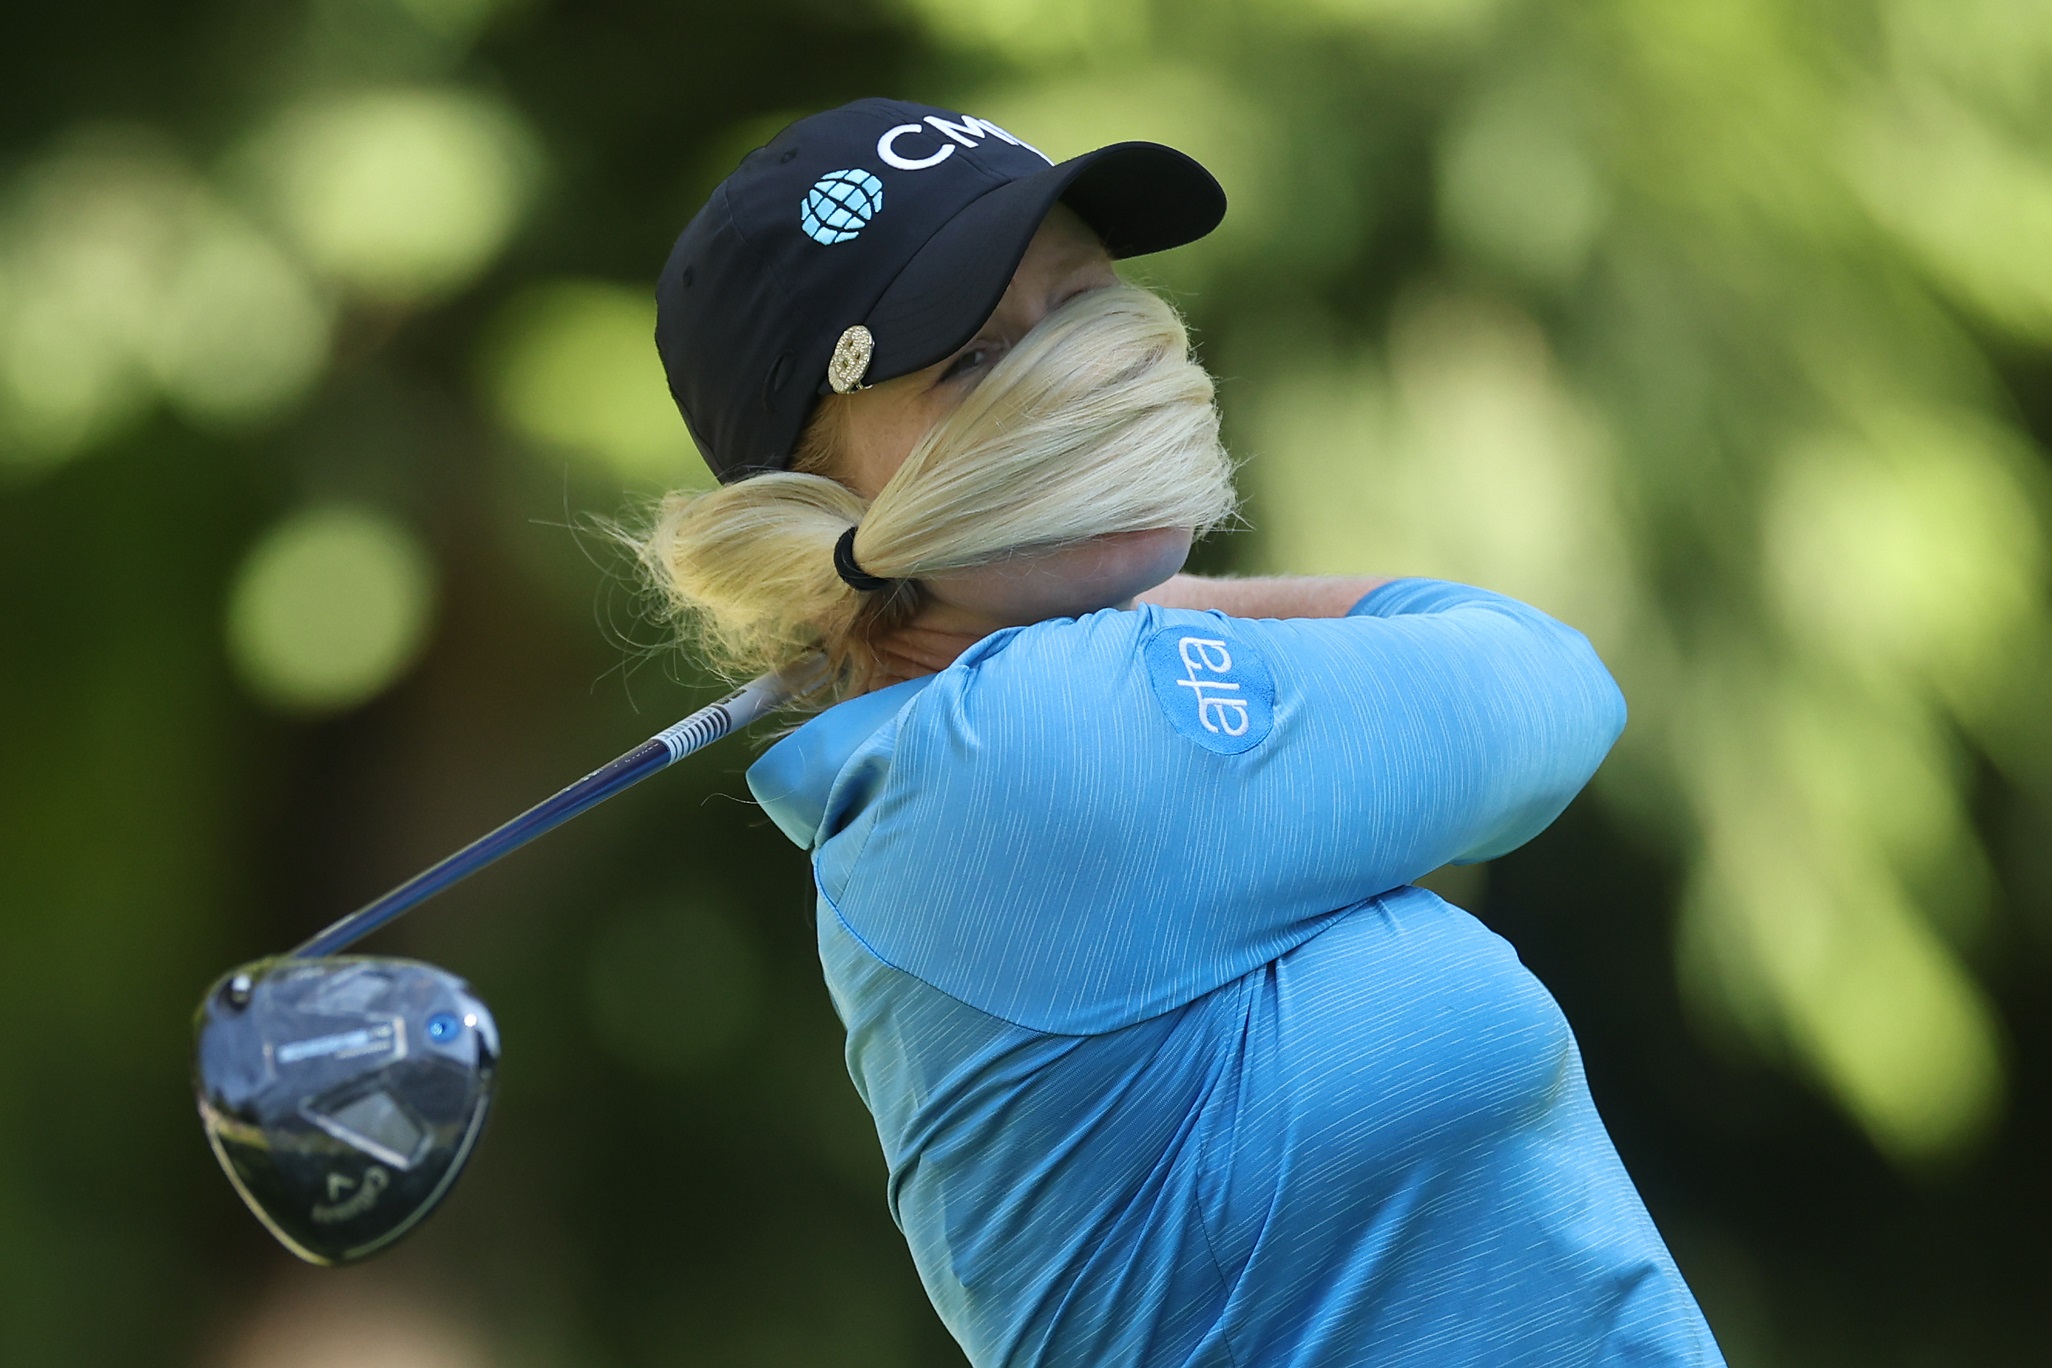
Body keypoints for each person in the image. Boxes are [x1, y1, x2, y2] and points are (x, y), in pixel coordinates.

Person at [643, 97, 1724, 1367]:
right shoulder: (1027, 754)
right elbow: (1547, 684)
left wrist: (1139, 594)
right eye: (974, 358)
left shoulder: (971, 749)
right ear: (820, 500)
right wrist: (1162, 602)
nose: (1085, 369)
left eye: (1087, 304)